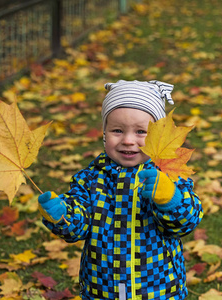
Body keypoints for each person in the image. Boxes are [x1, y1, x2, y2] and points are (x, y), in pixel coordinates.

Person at [38, 80, 203, 300]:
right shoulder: (90, 178)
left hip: (160, 287)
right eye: (117, 130)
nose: (127, 140)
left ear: (157, 137)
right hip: (103, 286)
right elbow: (78, 226)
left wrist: (169, 197)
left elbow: (186, 222)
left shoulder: (168, 175)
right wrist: (61, 215)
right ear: (104, 133)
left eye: (141, 132)